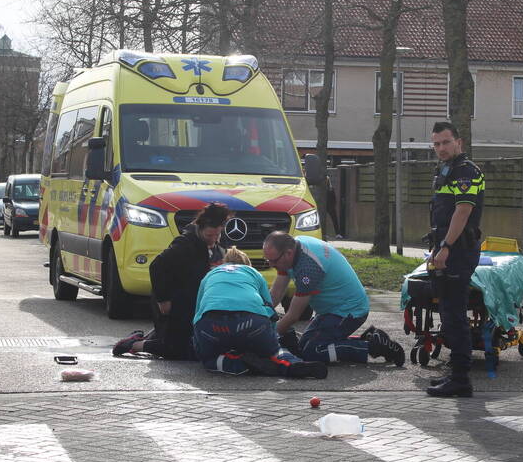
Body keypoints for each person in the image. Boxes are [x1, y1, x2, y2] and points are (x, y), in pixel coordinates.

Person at [263, 232, 404, 367]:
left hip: (348, 311)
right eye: (268, 260)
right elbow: (276, 293)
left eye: (273, 261)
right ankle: (368, 340)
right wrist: (260, 316)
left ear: (288, 253)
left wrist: (268, 336)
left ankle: (372, 347)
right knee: (303, 346)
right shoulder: (293, 247)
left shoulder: (309, 267)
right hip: (333, 310)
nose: (271, 265)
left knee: (312, 352)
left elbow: (293, 315)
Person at [112, 202, 228, 358]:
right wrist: (163, 299)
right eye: (209, 236)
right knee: (175, 350)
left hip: (196, 305)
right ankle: (132, 344)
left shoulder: (216, 247)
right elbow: (157, 267)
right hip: (174, 303)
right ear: (200, 229)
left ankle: (158, 336)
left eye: (217, 235)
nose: (213, 240)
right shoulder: (184, 244)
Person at [192, 247, 327, 378]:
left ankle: (239, 364)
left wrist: (200, 342)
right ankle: (291, 364)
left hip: (213, 324)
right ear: (247, 264)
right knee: (274, 351)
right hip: (252, 322)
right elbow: (269, 310)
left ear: (224, 262)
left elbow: (197, 314)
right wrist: (272, 337)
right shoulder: (253, 273)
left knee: (209, 358)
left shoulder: (210, 275)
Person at [425, 121, 485, 398]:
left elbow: (462, 212)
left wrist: (446, 246)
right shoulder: (445, 171)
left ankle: (461, 379)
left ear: (459, 142)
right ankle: (456, 372)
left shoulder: (466, 171)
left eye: (445, 142)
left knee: (455, 315)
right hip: (445, 249)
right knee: (448, 313)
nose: (441, 148)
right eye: (436, 144)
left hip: (458, 250)